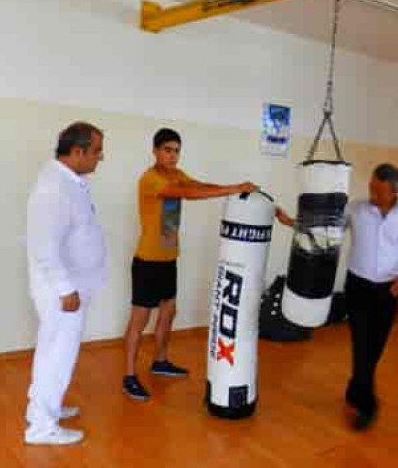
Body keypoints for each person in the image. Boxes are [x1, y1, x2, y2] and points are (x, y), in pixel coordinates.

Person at [275, 163, 398, 430]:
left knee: (374, 350)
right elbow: (324, 228)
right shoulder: (356, 209)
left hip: (389, 291)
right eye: (371, 187)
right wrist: (291, 222)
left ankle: (355, 388)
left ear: (394, 192)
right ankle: (366, 405)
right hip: (358, 287)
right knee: (361, 346)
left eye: (378, 190)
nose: (372, 194)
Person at [121, 127, 257, 401]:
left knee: (168, 312)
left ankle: (160, 361)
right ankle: (129, 376)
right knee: (139, 320)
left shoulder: (176, 175)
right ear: (155, 151)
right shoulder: (150, 179)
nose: (173, 156)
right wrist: (233, 189)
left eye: (176, 151)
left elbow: (197, 186)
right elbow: (188, 194)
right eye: (167, 150)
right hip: (147, 261)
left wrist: (233, 189)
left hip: (169, 259)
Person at [24, 122, 106, 445]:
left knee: (51, 351)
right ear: (77, 151)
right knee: (58, 355)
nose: (101, 157)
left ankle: (44, 409)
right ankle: (42, 427)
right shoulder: (54, 188)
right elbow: (44, 245)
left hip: (70, 286)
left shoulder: (70, 182)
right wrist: (65, 289)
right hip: (61, 291)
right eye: (97, 151)